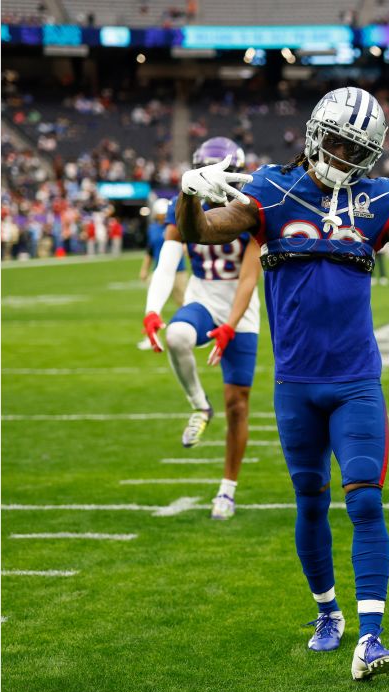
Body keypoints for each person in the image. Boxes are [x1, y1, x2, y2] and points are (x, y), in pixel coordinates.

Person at [172, 86, 389, 680]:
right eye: (337, 140)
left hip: (356, 380)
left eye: (355, 147)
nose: (343, 154)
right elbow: (199, 232)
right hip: (295, 383)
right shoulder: (271, 187)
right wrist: (186, 194)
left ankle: (371, 637)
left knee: (364, 499)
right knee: (310, 501)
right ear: (316, 133)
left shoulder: (379, 196)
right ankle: (326, 612)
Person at [142, 137, 262, 522]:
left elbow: (248, 278)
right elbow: (168, 260)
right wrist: (151, 310)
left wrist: (230, 325)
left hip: (241, 312)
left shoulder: (250, 207)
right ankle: (199, 405)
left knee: (238, 405)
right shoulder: (185, 205)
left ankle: (227, 489)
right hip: (202, 298)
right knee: (176, 335)